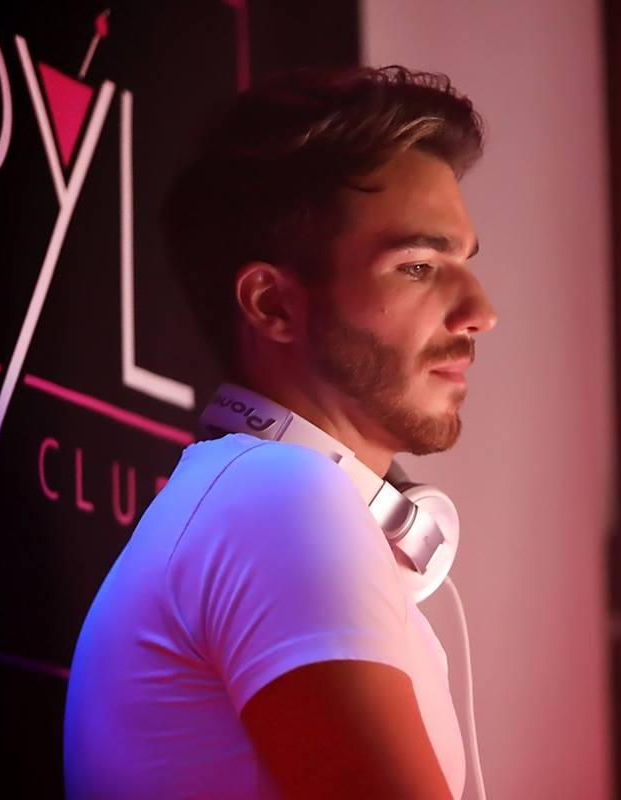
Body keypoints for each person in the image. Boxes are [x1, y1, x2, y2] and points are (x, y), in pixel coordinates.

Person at [62, 65, 498, 800]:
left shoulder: (264, 500)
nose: (480, 312)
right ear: (272, 305)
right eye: (418, 266)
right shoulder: (281, 497)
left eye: (464, 264)